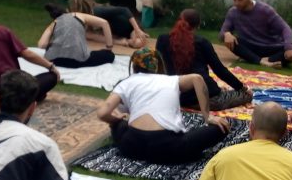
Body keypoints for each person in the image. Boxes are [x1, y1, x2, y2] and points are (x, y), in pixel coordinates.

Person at [96, 46, 231, 165]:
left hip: (131, 146)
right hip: (168, 149)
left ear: (134, 66)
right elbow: (197, 78)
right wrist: (208, 117)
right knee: (221, 127)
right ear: (157, 65)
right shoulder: (171, 80)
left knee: (118, 124)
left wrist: (117, 120)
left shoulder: (126, 83)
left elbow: (102, 113)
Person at [156, 8, 252, 110]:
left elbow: (159, 69)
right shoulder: (202, 42)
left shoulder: (162, 40)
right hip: (207, 99)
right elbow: (219, 70)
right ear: (198, 25)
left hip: (176, 98)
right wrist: (241, 87)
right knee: (247, 95)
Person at [219, 0, 292, 67]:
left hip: (270, 46)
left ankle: (261, 60)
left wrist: (288, 47)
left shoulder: (265, 10)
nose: (237, 3)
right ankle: (263, 61)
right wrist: (226, 34)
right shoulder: (233, 12)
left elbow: (285, 28)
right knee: (232, 41)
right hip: (251, 47)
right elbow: (221, 34)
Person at [37, 2, 116, 69]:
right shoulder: (77, 15)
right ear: (67, 11)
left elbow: (41, 44)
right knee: (109, 55)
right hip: (78, 59)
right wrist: (109, 47)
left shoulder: (53, 23)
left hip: (58, 60)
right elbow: (104, 23)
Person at [69, 0, 148, 49]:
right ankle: (121, 41)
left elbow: (124, 10)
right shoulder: (87, 16)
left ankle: (128, 39)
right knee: (86, 34)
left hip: (131, 29)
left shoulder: (97, 11)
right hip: (118, 33)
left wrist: (137, 30)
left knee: (137, 43)